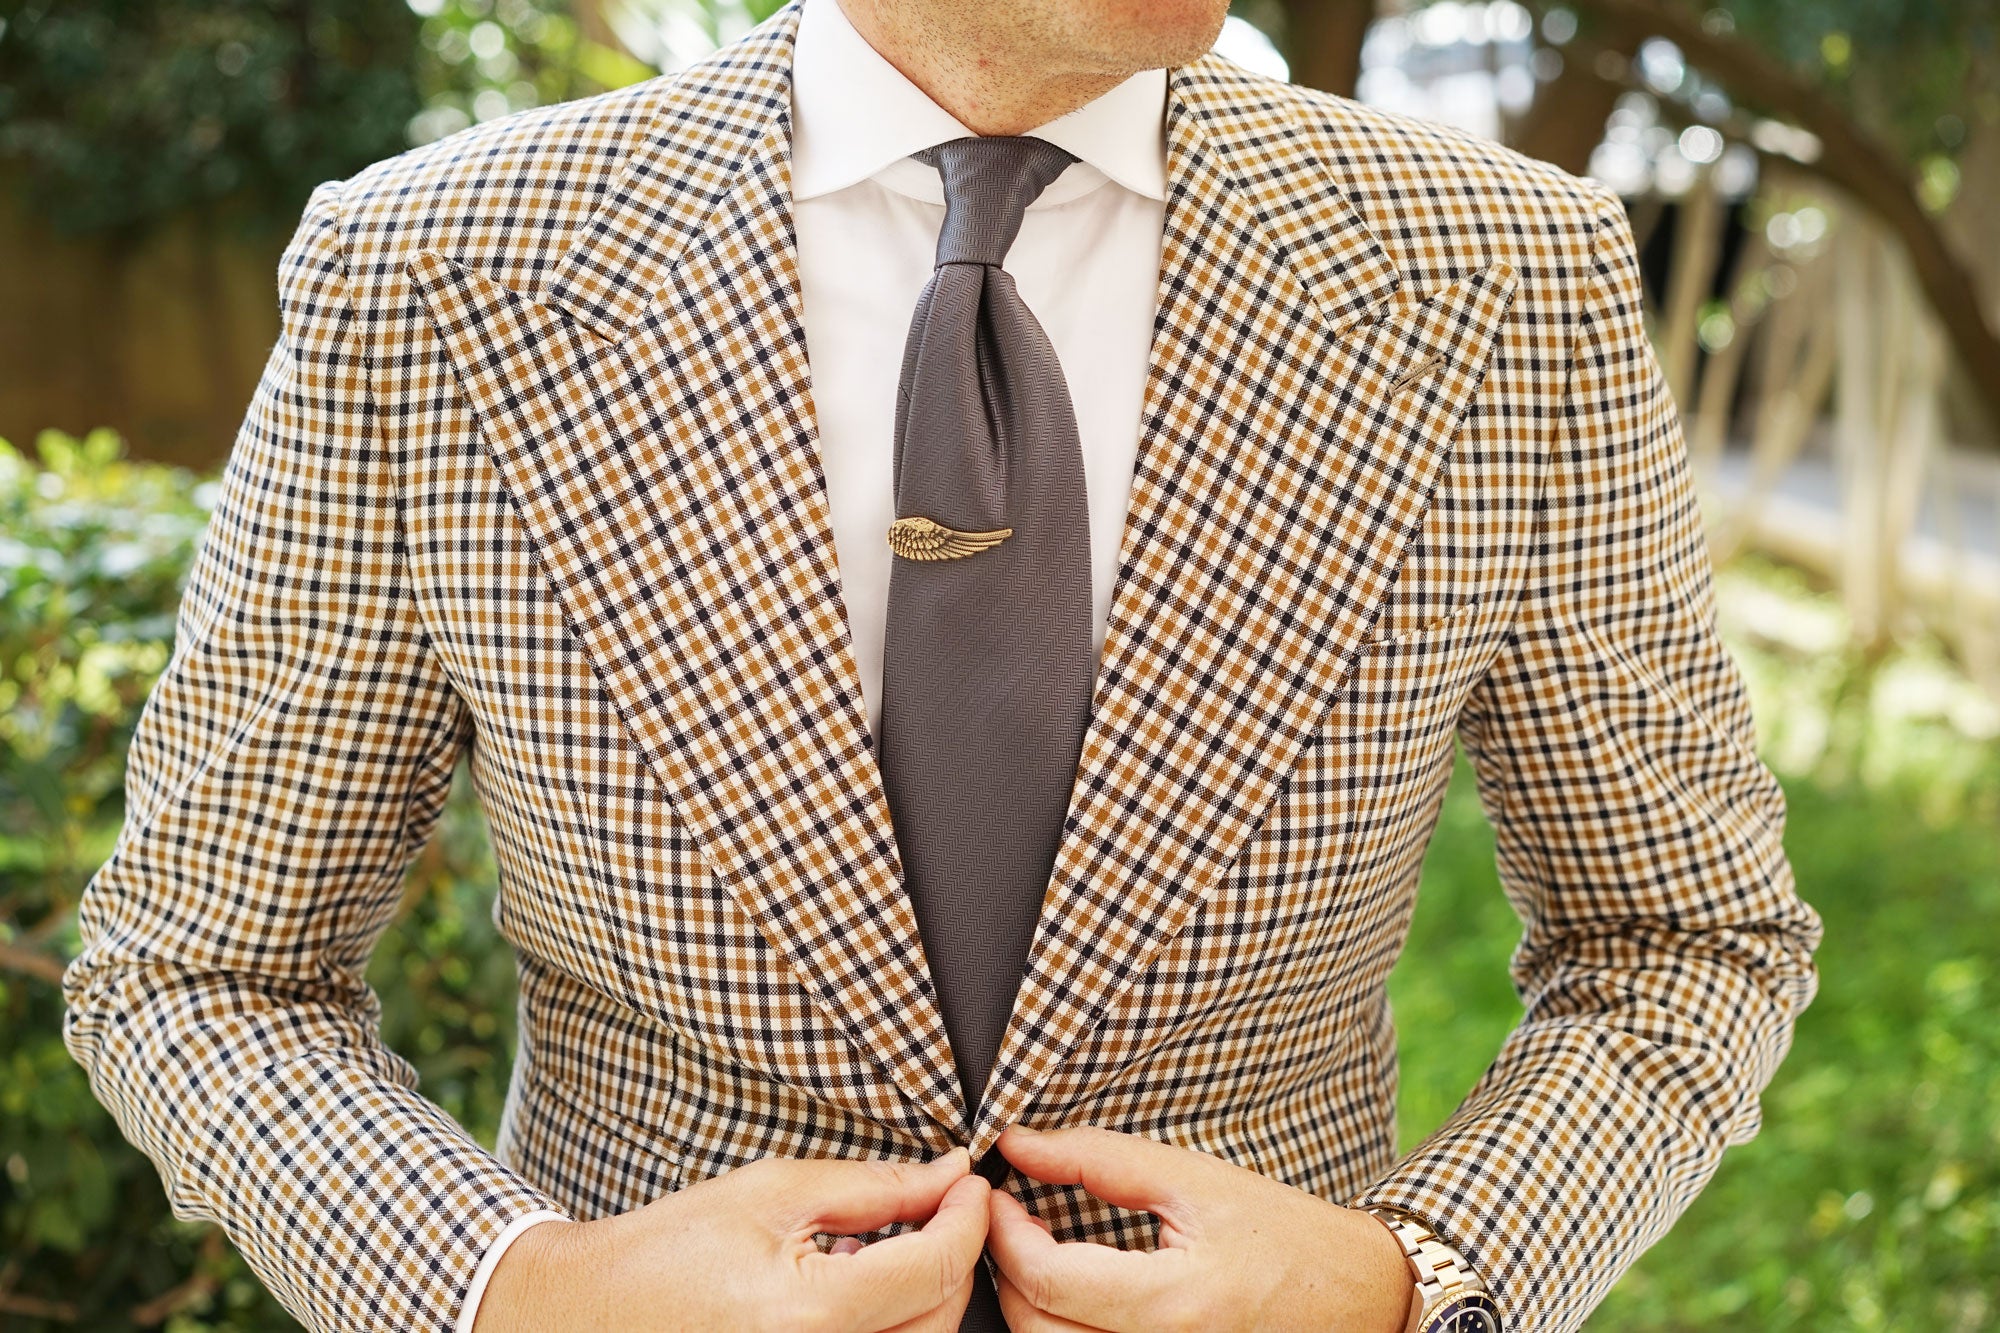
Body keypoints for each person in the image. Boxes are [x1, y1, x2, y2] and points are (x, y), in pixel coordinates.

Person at [61, 0, 1825, 1329]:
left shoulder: (1504, 273)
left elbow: (1680, 941)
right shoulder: (441, 270)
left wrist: (1412, 1272)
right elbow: (201, 969)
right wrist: (520, 1287)